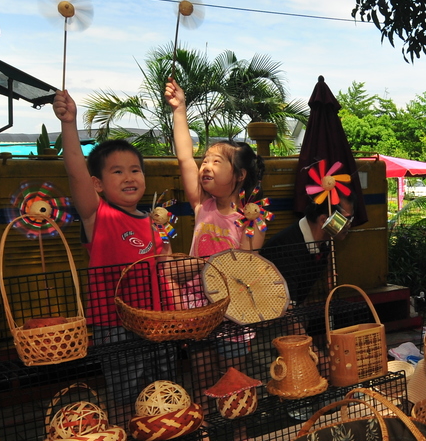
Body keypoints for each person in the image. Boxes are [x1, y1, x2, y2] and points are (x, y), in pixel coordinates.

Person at [54, 88, 162, 325]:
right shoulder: (98, 215)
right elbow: (76, 172)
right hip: (114, 325)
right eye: (117, 172)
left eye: (135, 170)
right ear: (97, 183)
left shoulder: (154, 222)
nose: (129, 177)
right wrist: (69, 123)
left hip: (156, 322)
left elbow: (165, 270)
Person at [165, 78, 265, 258]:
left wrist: (198, 266)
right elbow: (185, 158)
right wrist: (179, 109)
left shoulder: (252, 220)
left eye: (216, 162)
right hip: (194, 287)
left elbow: (244, 266)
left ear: (240, 174)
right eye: (205, 161)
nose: (206, 167)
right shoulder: (203, 204)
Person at [261, 196, 354, 303]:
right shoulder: (286, 248)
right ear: (324, 220)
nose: (349, 224)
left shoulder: (324, 244)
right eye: (345, 219)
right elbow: (286, 304)